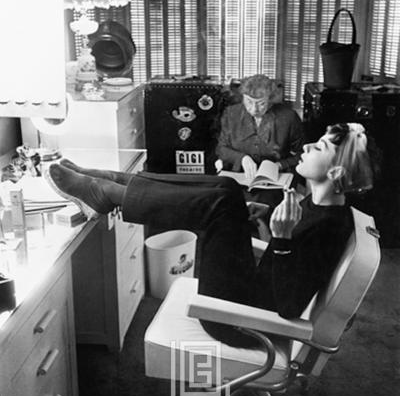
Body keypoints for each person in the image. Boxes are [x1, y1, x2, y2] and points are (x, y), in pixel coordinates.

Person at [46, 123, 374, 348]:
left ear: (335, 173)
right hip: (249, 292)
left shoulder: (332, 225)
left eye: (318, 147)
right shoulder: (318, 206)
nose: (305, 146)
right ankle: (118, 183)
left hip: (242, 321)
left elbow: (289, 305)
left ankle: (108, 191)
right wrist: (269, 228)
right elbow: (285, 262)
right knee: (228, 189)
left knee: (220, 201)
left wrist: (283, 239)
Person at [216, 75, 304, 181]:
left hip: (274, 178)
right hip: (239, 175)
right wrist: (242, 158)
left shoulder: (288, 117)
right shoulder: (231, 114)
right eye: (249, 102)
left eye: (261, 104)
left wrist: (279, 165)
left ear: (270, 101)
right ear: (242, 98)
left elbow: (302, 154)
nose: (254, 109)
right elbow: (221, 149)